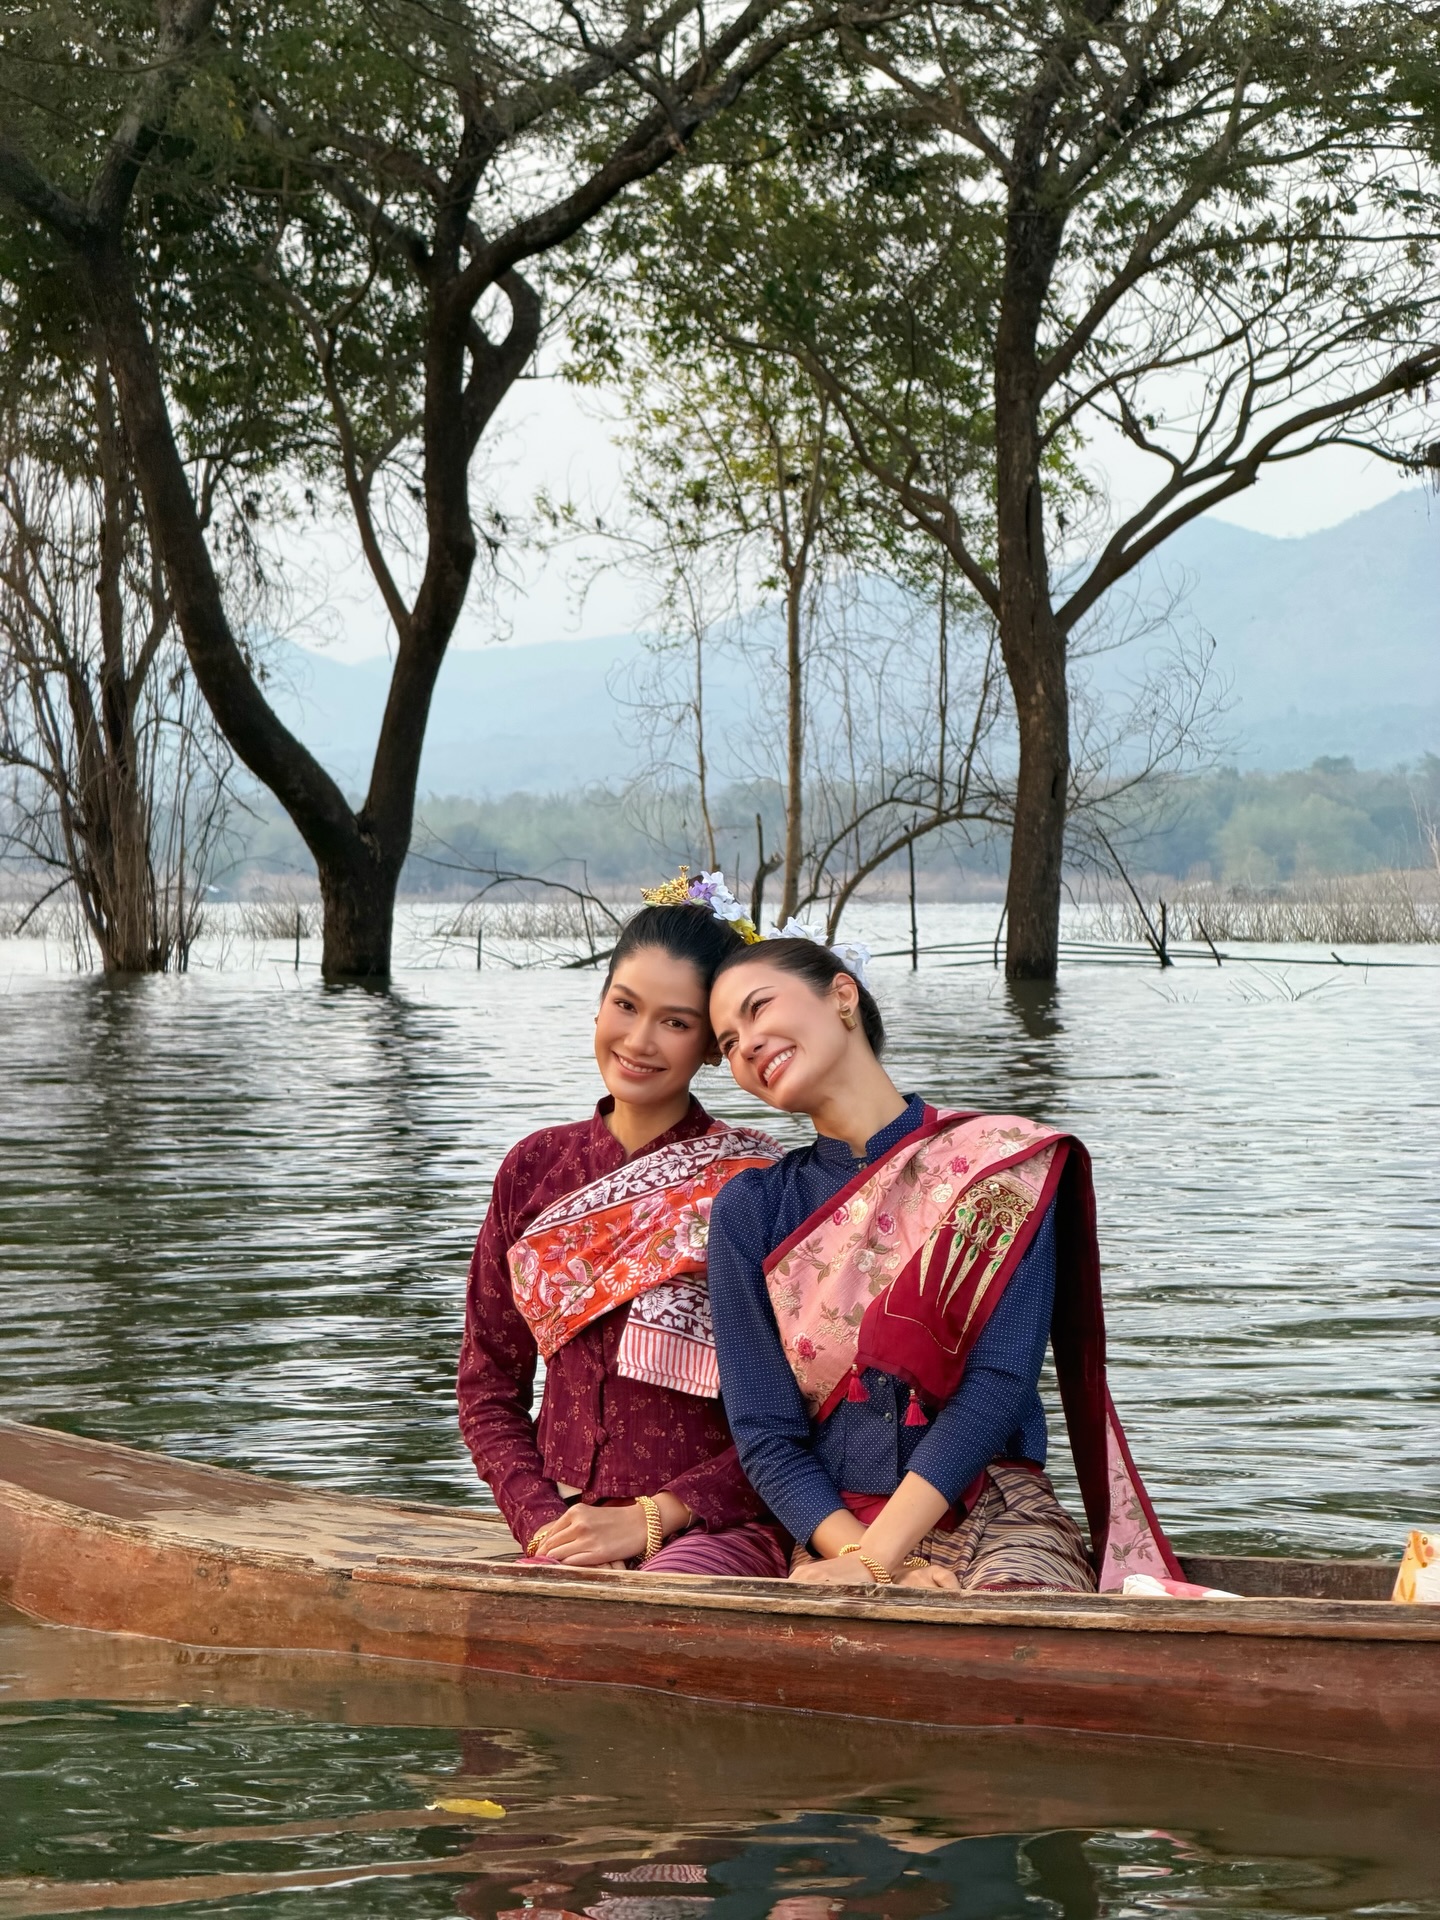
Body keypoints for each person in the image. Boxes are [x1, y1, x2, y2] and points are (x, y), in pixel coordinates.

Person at [705, 937, 1178, 1593]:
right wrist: (871, 1561)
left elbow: (997, 1382)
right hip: (836, 1527)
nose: (746, 1045)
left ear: (843, 996)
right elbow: (765, 1432)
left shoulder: (997, 1166)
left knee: (1015, 1641)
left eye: (759, 1010)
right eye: (727, 1043)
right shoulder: (751, 1211)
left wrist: (881, 1561)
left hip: (1000, 1513)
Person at [457, 882, 790, 1576]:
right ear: (601, 1000)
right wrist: (545, 1523)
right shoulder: (534, 1170)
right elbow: (489, 1384)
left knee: (658, 1608)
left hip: (720, 1526)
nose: (639, 1042)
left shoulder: (756, 1182)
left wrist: (652, 1519)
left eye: (675, 1022)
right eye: (626, 1006)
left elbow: (806, 1403)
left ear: (709, 1044)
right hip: (568, 1528)